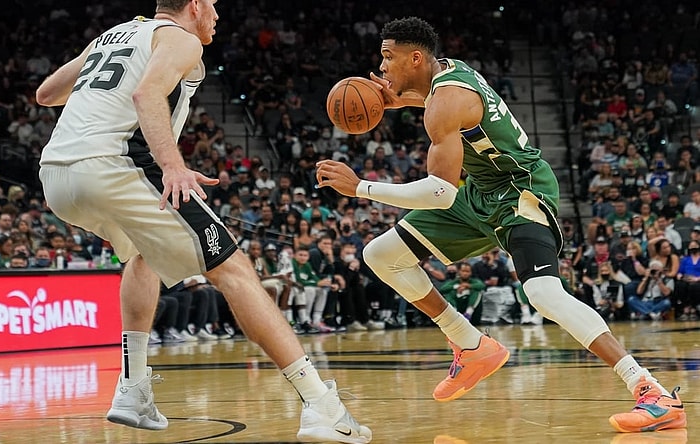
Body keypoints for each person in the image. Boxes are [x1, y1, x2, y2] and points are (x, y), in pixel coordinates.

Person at [316, 16, 685, 433]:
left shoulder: (444, 103)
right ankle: (471, 345)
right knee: (381, 255)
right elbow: (455, 113)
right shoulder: (445, 79)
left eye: (388, 57)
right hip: (482, 191)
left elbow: (440, 192)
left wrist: (360, 187)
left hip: (521, 191)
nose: (380, 68)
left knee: (543, 294)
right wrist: (409, 100)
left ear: (415, 57)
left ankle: (651, 391)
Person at [35, 2, 370, 442]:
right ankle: (321, 406)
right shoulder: (181, 38)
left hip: (57, 176)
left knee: (143, 255)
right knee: (234, 269)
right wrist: (172, 165)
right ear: (194, 5)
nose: (217, 14)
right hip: (114, 164)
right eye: (213, 5)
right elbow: (146, 94)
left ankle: (133, 389)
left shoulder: (114, 35)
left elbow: (46, 93)